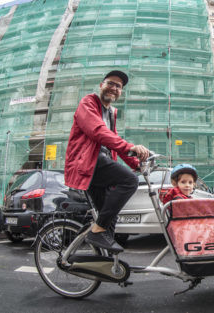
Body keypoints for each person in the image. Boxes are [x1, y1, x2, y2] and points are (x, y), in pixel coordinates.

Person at [65, 70, 150, 251]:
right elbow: (98, 131)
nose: (114, 88)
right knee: (129, 180)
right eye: (110, 83)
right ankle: (96, 231)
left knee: (109, 218)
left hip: (98, 167)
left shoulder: (111, 113)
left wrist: (137, 163)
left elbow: (113, 141)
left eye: (118, 86)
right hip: (87, 162)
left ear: (121, 92)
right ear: (101, 86)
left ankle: (106, 265)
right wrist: (130, 147)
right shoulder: (88, 103)